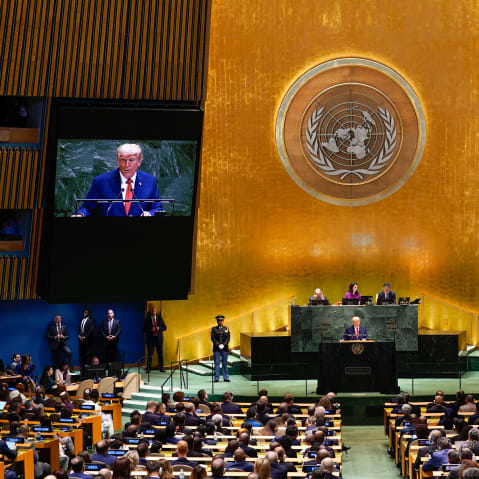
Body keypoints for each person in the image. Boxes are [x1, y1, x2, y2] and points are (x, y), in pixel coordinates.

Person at [73, 143, 163, 217]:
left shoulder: (150, 181)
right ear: (117, 161)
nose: (127, 165)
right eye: (123, 160)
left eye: (131, 160)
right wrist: (80, 214)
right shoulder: (101, 181)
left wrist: (150, 214)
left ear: (139, 161)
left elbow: (157, 207)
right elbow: (87, 208)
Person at [142, 306, 167, 372]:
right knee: (150, 354)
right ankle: (148, 368)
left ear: (156, 312)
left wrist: (160, 329)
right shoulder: (147, 319)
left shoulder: (160, 319)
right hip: (151, 340)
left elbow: (165, 327)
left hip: (159, 339)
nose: (153, 312)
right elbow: (143, 329)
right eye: (152, 311)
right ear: (151, 312)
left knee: (160, 354)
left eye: (154, 311)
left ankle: (161, 368)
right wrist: (150, 329)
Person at [211, 314, 230, 382]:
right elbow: (213, 338)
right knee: (217, 363)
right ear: (217, 321)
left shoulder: (226, 328)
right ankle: (216, 378)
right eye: (219, 321)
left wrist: (224, 345)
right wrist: (218, 344)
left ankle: (226, 377)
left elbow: (228, 338)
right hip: (216, 349)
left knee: (225, 363)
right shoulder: (214, 329)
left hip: (224, 349)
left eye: (221, 320)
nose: (220, 322)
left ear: (223, 321)